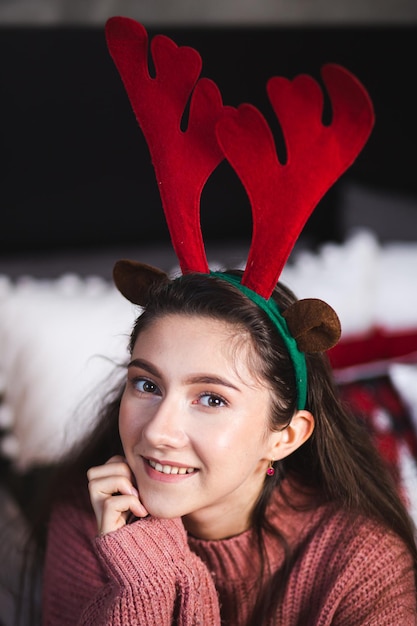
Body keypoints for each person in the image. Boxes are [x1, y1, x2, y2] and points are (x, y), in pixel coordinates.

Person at [35, 15, 417, 625]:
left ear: (284, 435)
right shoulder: (90, 522)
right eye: (146, 383)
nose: (157, 431)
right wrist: (148, 573)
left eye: (210, 399)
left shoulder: (359, 563)